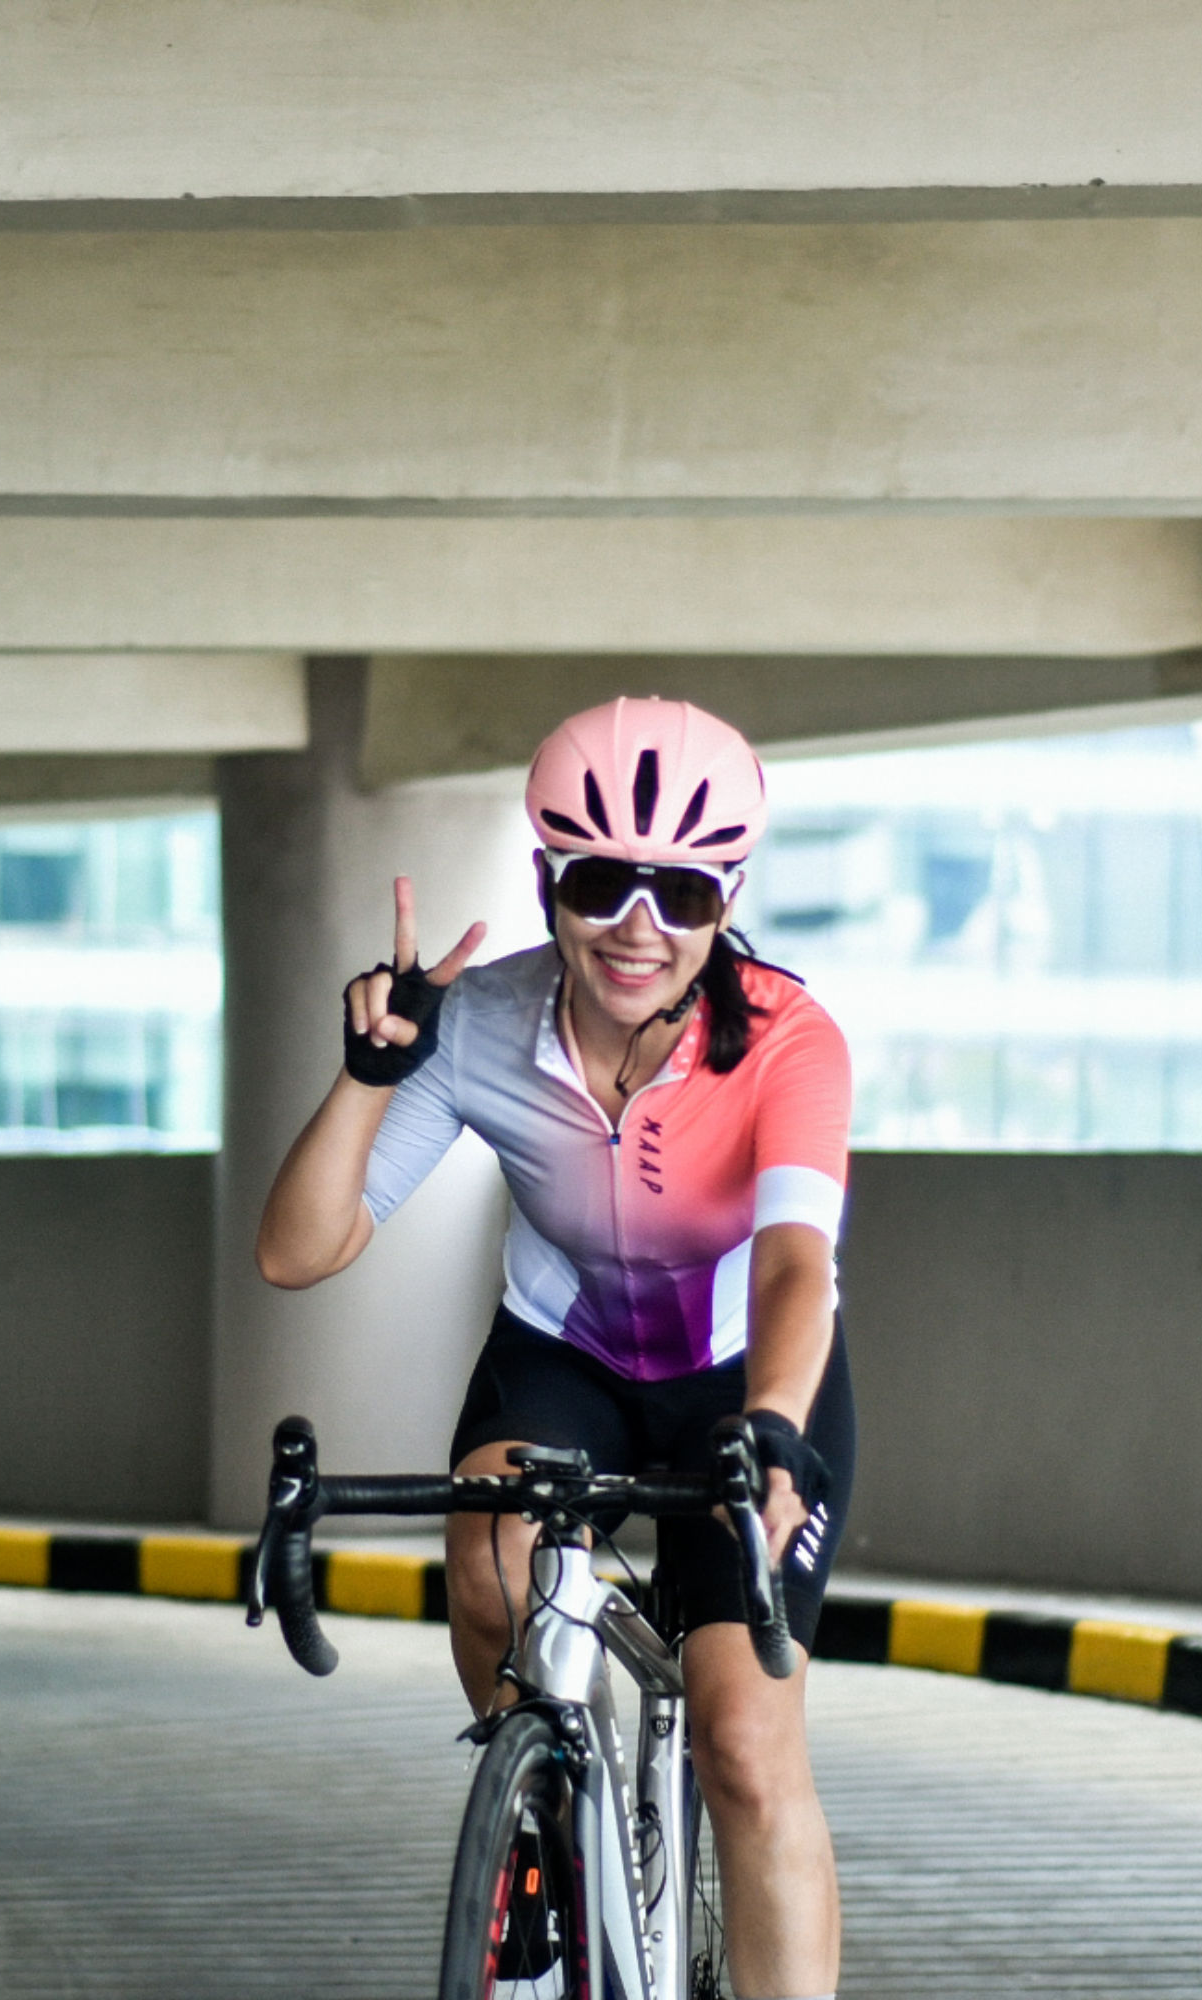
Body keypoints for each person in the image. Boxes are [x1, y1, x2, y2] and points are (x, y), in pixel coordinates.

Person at [257, 696, 852, 2000]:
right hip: (565, 1359)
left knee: (746, 1742)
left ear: (727, 896)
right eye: (599, 883)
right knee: (488, 1569)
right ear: (546, 879)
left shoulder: (791, 1042)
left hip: (741, 1379)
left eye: (682, 897)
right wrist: (369, 1071)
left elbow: (798, 1261)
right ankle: (534, 1840)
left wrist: (779, 1426)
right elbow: (299, 1250)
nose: (638, 928)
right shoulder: (478, 1023)